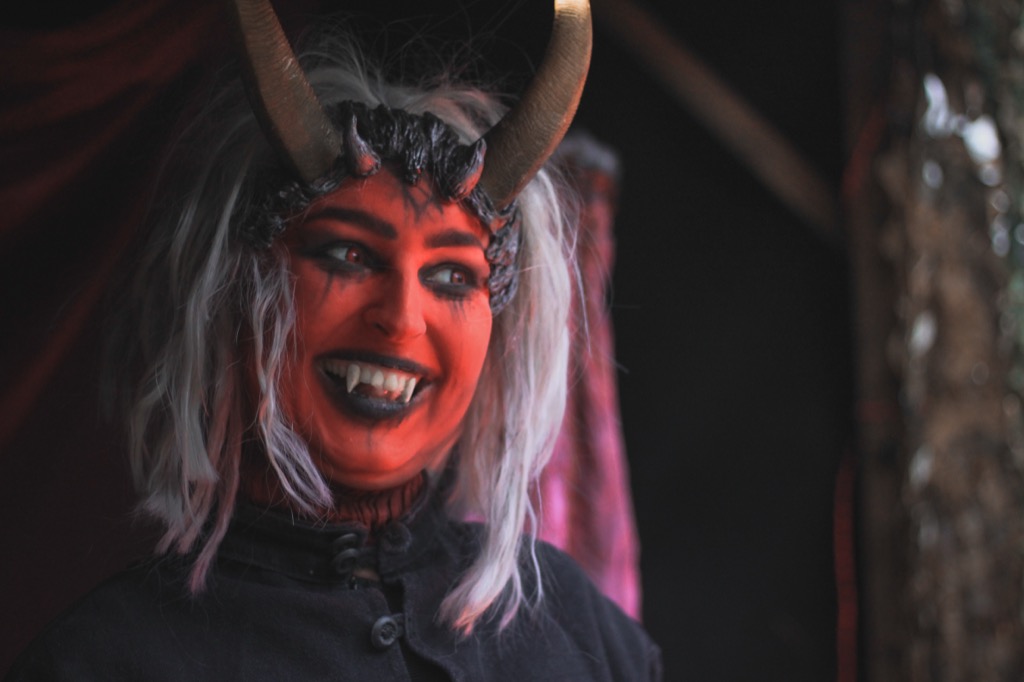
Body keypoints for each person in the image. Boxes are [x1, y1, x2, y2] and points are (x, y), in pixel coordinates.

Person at [6, 1, 660, 679]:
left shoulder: (580, 629)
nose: (402, 319)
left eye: (450, 276)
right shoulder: (106, 659)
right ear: (234, 288)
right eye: (348, 256)